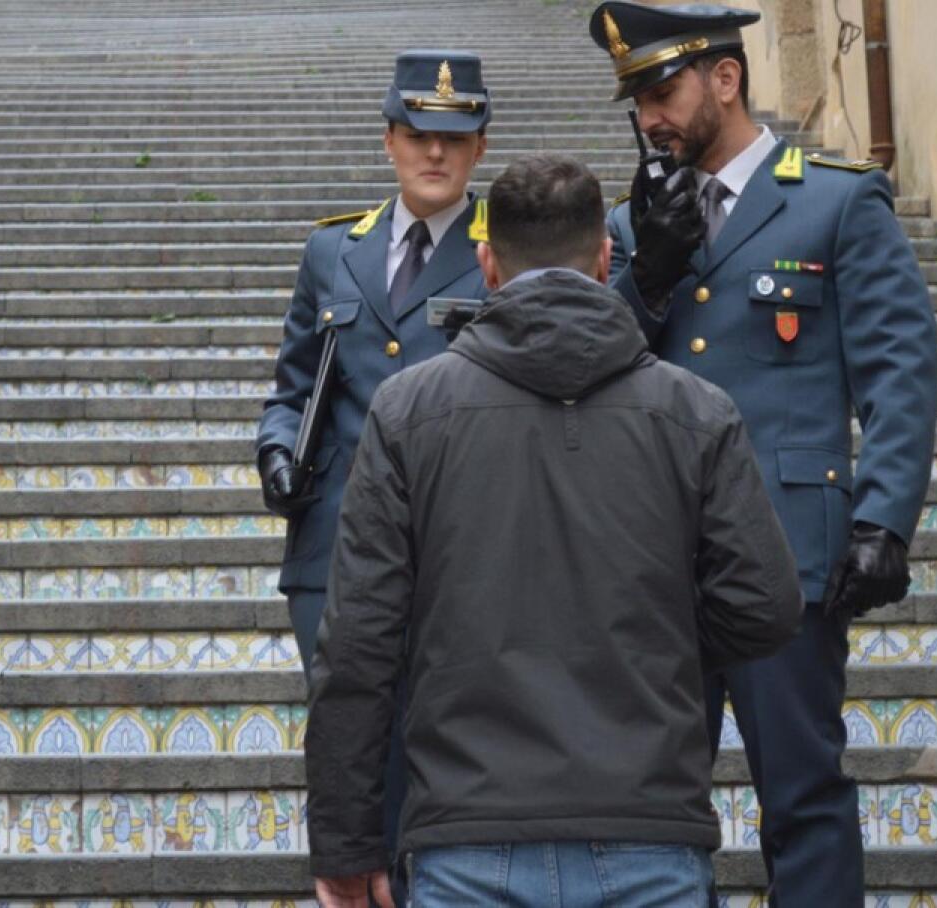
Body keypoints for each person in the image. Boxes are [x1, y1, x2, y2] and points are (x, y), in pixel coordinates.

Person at [305, 153, 804, 908]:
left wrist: (346, 839)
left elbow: (357, 643)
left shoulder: (408, 412)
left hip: (467, 836)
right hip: (649, 827)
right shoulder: (695, 410)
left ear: (485, 265)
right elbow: (766, 604)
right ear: (607, 260)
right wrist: (653, 636)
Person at [588, 3, 937, 905]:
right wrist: (648, 277)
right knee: (654, 803)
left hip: (791, 551)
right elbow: (594, 372)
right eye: (637, 103)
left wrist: (883, 518)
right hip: (655, 559)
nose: (650, 119)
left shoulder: (834, 198)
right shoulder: (634, 226)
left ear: (727, 79)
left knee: (804, 791)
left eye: (663, 92)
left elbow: (899, 366)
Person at [254, 48, 492, 904]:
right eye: (420, 134)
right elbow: (290, 387)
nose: (437, 153)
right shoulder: (333, 252)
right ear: (391, 139)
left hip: (452, 547)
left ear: (480, 148)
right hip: (334, 545)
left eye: (455, 137)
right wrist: (277, 452)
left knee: (436, 746)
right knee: (350, 741)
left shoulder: (502, 254)